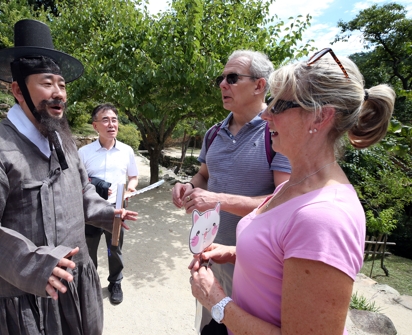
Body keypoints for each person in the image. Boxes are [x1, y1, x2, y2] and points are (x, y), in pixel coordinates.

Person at [0, 19, 137, 335]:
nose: (59, 93)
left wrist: (108, 213)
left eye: (62, 85)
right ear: (18, 89)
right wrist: (34, 263)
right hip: (25, 299)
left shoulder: (63, 140)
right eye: (47, 83)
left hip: (76, 282)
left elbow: (82, 190)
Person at [189, 48, 395, 334]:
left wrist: (217, 302)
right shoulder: (293, 186)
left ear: (320, 117)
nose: (266, 115)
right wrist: (237, 252)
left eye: (279, 106)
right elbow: (283, 253)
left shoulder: (325, 216)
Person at [171, 50, 291, 331]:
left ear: (260, 85)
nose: (223, 84)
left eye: (233, 77)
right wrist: (188, 186)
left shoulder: (276, 133)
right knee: (210, 327)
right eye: (221, 78)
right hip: (210, 256)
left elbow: (284, 201)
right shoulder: (214, 133)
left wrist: (218, 200)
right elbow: (204, 174)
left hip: (253, 266)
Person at [78, 103, 139, 304]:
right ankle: (90, 282)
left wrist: (131, 189)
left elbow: (133, 177)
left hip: (116, 209)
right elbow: (78, 180)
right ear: (95, 126)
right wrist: (96, 184)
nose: (111, 124)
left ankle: (115, 282)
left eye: (114, 120)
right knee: (89, 247)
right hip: (90, 210)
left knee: (114, 248)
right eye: (105, 119)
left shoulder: (126, 151)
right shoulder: (84, 153)